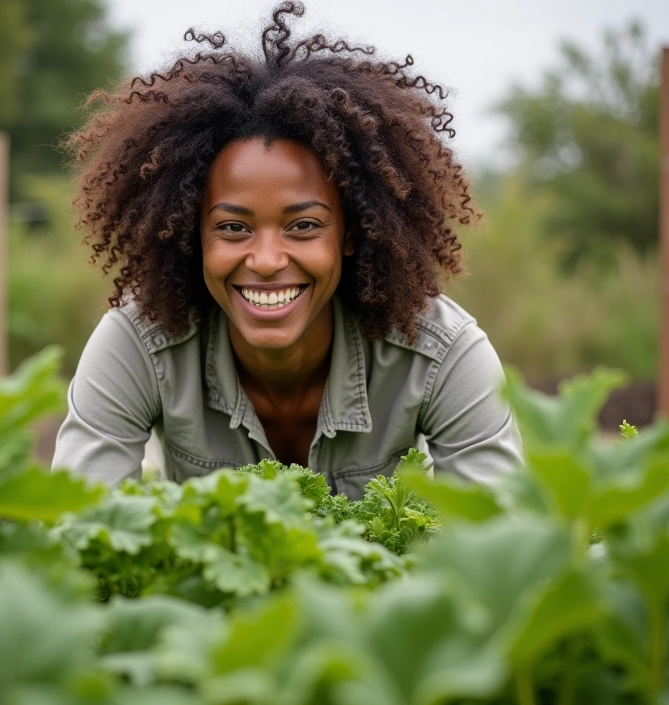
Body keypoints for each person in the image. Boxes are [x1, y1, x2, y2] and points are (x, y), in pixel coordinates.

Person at [52, 1, 522, 499]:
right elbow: (74, 528)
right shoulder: (138, 343)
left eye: (303, 225)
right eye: (233, 228)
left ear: (351, 233)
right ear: (195, 235)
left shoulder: (443, 353)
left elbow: (499, 545)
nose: (268, 260)